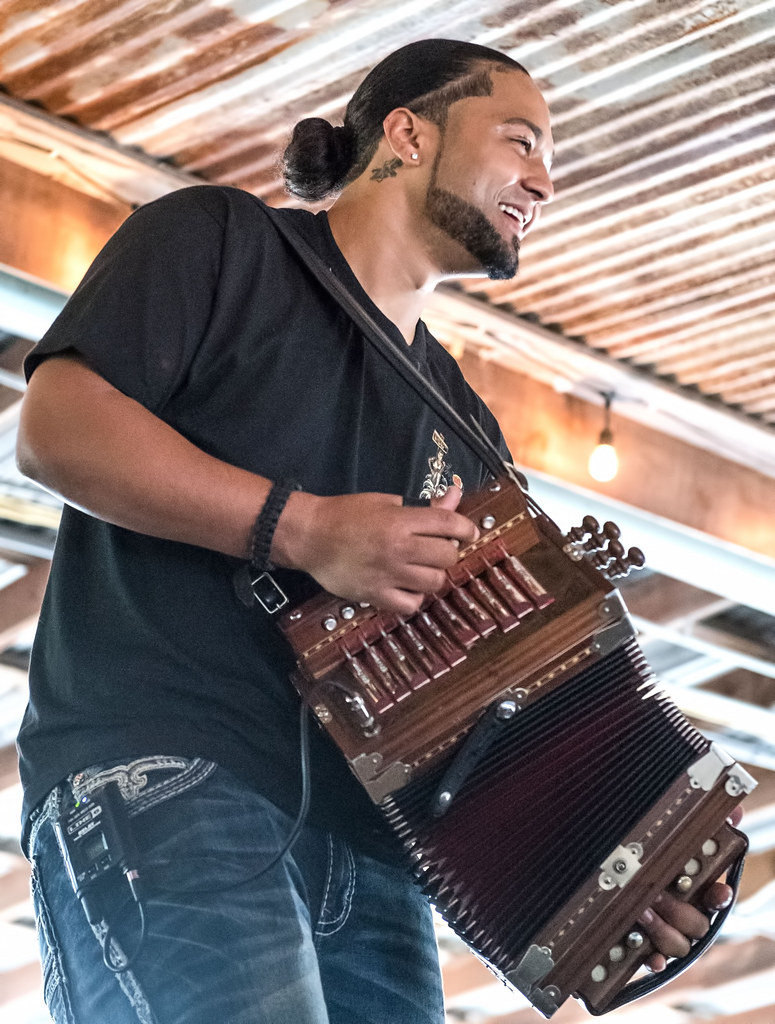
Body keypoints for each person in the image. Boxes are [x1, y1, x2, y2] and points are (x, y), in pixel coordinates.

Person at [16, 38, 735, 1024]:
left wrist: (632, 870)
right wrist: (304, 528)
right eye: (521, 140)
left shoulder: (471, 429)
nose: (545, 177)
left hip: (371, 862)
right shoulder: (219, 241)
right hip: (170, 777)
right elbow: (56, 431)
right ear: (405, 132)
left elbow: (477, 707)